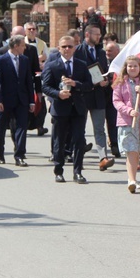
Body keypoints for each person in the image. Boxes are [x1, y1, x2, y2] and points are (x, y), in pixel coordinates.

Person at [41, 36, 93, 183]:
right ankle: (58, 170)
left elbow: (89, 85)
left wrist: (75, 84)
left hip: (78, 109)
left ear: (74, 48)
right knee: (60, 140)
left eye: (70, 46)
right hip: (60, 109)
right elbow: (45, 86)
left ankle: (78, 172)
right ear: (59, 48)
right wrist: (58, 94)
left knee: (78, 140)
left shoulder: (82, 65)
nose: (67, 49)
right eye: (64, 47)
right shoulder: (52, 65)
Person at [75, 25, 114, 170]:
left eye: (100, 34)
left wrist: (106, 80)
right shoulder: (78, 51)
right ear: (87, 34)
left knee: (99, 128)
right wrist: (90, 81)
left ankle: (103, 157)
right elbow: (76, 73)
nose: (99, 37)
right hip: (82, 94)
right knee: (80, 128)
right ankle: (78, 157)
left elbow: (105, 71)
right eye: (96, 34)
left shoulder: (101, 52)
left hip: (98, 96)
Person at [0, 35, 34, 166]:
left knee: (21, 127)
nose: (25, 47)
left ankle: (19, 155)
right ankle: (0, 153)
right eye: (23, 45)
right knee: (1, 128)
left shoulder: (25, 60)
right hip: (5, 101)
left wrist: (31, 101)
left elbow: (28, 81)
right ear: (16, 46)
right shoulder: (1, 60)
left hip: (22, 100)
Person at [112, 55, 140, 193]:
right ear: (126, 68)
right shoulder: (120, 83)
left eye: (135, 66)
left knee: (137, 150)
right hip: (127, 121)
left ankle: (134, 177)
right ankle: (131, 179)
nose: (132, 68)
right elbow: (116, 101)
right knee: (131, 150)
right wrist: (128, 110)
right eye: (130, 66)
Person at [104, 42, 120, 157]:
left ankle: (115, 144)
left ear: (117, 52)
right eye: (107, 50)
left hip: (116, 96)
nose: (107, 53)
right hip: (103, 95)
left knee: (113, 121)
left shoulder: (121, 63)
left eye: (110, 50)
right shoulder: (103, 61)